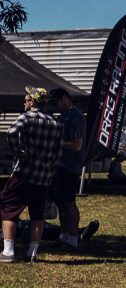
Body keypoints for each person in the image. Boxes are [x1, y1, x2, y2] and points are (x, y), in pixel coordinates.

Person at [0, 87, 63, 263]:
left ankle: (8, 252)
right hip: (44, 176)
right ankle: (32, 252)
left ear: (32, 102)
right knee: (37, 213)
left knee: (8, 206)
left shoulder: (26, 117)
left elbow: (12, 132)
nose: (24, 103)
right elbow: (58, 152)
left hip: (25, 172)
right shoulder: (56, 123)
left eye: (26, 100)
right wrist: (51, 170)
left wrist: (17, 152)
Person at [49, 88, 92, 248]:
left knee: (69, 203)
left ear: (65, 99)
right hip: (58, 165)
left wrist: (57, 143)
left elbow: (77, 145)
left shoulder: (75, 117)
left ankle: (73, 239)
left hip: (69, 166)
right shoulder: (62, 117)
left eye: (55, 103)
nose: (53, 107)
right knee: (60, 203)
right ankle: (64, 236)